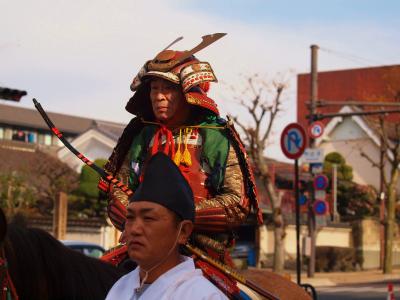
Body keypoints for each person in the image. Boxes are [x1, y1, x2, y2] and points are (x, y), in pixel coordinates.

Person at [99, 34, 262, 296]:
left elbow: (236, 204)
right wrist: (138, 217)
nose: (159, 97)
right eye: (154, 88)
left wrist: (175, 219)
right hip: (144, 247)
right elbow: (117, 188)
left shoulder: (214, 135)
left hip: (203, 249)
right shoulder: (142, 134)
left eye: (168, 89)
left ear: (187, 91)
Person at [105, 152, 228, 300]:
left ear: (183, 231)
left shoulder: (202, 295)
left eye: (149, 218)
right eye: (130, 217)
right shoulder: (120, 288)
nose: (134, 229)